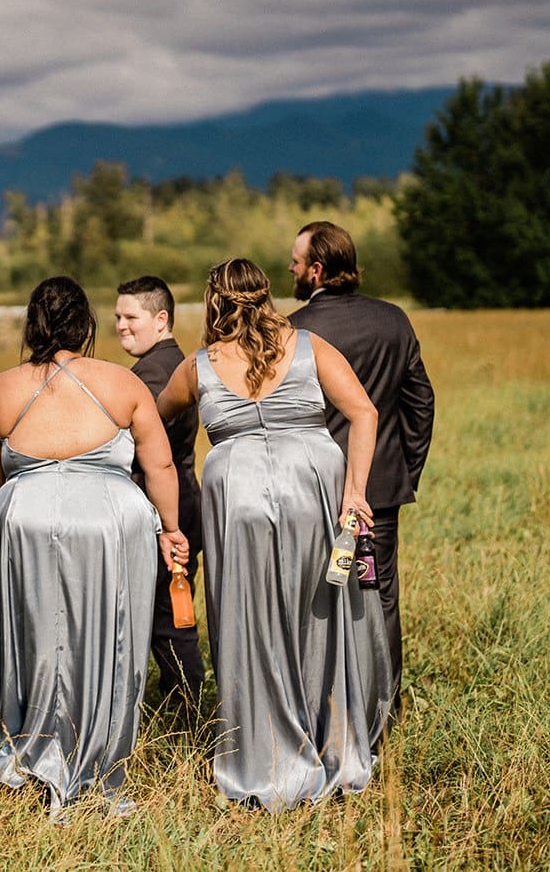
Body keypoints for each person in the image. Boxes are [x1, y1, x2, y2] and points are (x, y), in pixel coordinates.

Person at [157, 258, 391, 811]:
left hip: (237, 499)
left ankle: (266, 754)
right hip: (312, 490)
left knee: (249, 622)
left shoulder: (199, 367)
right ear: (265, 296)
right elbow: (363, 412)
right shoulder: (308, 347)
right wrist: (355, 490)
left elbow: (153, 416)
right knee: (319, 619)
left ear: (213, 301)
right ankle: (333, 743)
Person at [0, 277, 186, 816]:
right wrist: (171, 529)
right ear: (86, 325)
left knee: (34, 636)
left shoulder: (1, 389)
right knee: (107, 637)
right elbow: (158, 464)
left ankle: (28, 744)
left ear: (33, 325)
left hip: (27, 521)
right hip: (110, 525)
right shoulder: (122, 384)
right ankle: (97, 755)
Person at [289, 220, 433, 712]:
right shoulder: (395, 319)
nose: (290, 268)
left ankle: (323, 703)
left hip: (310, 487)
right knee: (381, 595)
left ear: (317, 269)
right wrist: (402, 470)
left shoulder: (295, 331)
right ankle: (384, 707)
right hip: (380, 490)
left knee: (314, 596)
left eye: (295, 262)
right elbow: (421, 404)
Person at [113, 275, 206, 711]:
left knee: (170, 623)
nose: (121, 325)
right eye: (117, 316)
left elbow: (140, 452)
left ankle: (189, 715)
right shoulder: (171, 361)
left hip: (166, 511)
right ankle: (178, 707)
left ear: (161, 318)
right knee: (167, 619)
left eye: (131, 317)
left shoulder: (154, 373)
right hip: (181, 500)